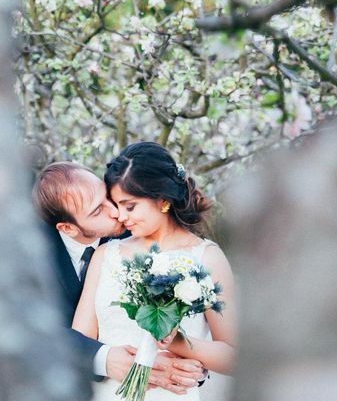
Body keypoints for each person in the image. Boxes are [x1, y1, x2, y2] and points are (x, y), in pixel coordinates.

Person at [72, 142, 237, 400]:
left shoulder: (207, 257)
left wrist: (176, 341)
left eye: (130, 206)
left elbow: (234, 354)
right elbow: (77, 342)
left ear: (161, 200)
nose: (121, 216)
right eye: (116, 205)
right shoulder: (106, 255)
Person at [33, 161, 205, 395]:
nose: (115, 212)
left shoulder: (135, 229)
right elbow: (33, 332)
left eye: (107, 198)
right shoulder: (32, 257)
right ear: (68, 228)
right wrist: (104, 358)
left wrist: (194, 368)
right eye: (97, 211)